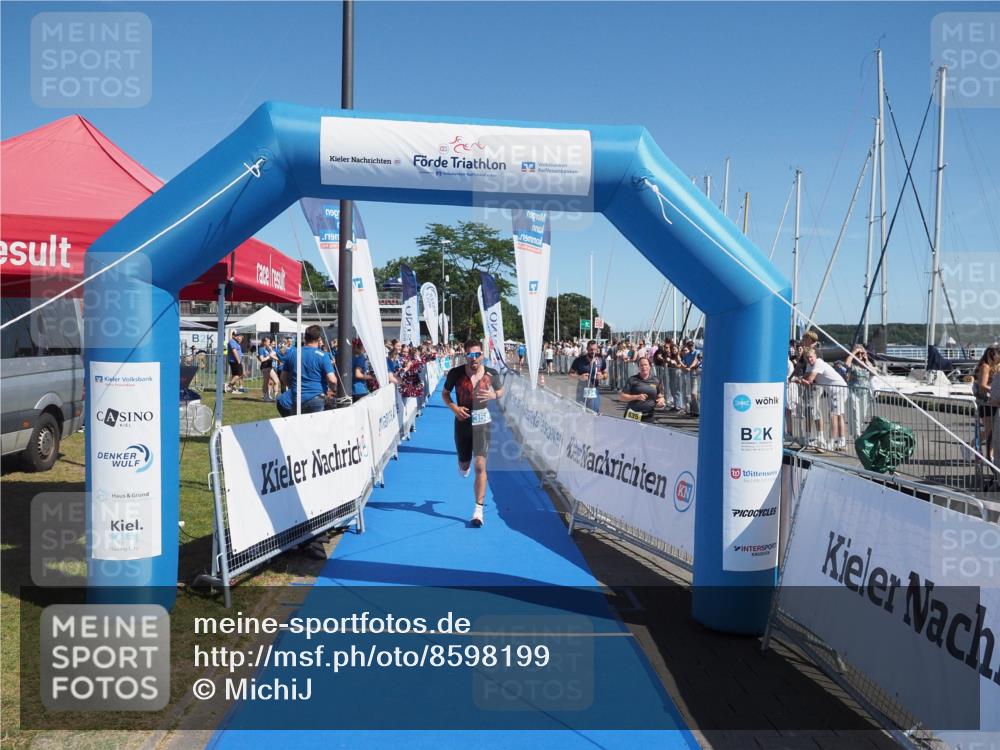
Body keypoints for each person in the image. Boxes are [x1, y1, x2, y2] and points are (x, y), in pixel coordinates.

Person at [442, 340, 503, 527]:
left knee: (480, 465)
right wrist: (454, 408)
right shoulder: (456, 373)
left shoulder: (491, 374)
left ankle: (478, 511)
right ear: (465, 355)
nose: (473, 358)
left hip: (483, 422)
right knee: (464, 464)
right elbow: (445, 393)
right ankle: (463, 465)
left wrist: (494, 395)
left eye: (477, 354)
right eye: (470, 354)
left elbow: (501, 391)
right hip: (462, 422)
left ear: (482, 355)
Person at [275, 325, 337, 417]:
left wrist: (294, 386)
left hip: (297, 398)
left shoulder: (293, 353)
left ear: (305, 337)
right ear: (319, 339)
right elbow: (332, 380)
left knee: (297, 428)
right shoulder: (323, 356)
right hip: (316, 398)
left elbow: (283, 377)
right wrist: (334, 390)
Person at [798, 346, 848, 451]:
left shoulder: (818, 363)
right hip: (832, 391)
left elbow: (809, 380)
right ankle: (841, 442)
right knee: (838, 416)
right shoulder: (809, 364)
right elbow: (806, 379)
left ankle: (830, 444)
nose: (810, 359)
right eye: (807, 358)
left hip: (839, 389)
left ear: (815, 356)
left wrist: (798, 380)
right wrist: (802, 380)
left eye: (811, 357)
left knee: (833, 416)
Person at [618, 356, 665, 422]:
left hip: (649, 415)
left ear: (650, 366)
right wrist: (636, 397)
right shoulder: (632, 379)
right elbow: (622, 397)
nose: (644, 367)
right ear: (638, 367)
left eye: (645, 365)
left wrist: (661, 401)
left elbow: (660, 396)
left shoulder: (656, 380)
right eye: (641, 365)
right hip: (633, 414)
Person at [569, 340, 608, 413]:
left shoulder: (601, 360)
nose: (593, 351)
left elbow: (606, 374)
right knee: (580, 412)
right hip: (581, 390)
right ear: (587, 349)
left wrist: (602, 376)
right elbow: (570, 374)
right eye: (591, 349)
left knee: (594, 413)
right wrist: (579, 377)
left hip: (594, 390)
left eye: (595, 349)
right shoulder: (579, 360)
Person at [845, 343, 875, 438]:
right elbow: (847, 363)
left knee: (862, 414)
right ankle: (857, 434)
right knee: (855, 413)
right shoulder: (853, 365)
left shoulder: (866, 364)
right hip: (853, 391)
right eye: (859, 354)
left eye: (862, 354)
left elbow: (874, 373)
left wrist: (866, 360)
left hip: (865, 392)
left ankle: (857, 431)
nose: (860, 356)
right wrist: (854, 352)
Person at [257, 336, 280, 402]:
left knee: (276, 381)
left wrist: (271, 351)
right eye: (268, 342)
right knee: (266, 382)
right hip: (264, 367)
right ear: (264, 342)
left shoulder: (268, 349)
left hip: (270, 367)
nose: (269, 343)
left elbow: (274, 355)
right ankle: (266, 396)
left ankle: (276, 396)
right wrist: (269, 356)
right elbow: (262, 359)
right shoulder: (261, 349)